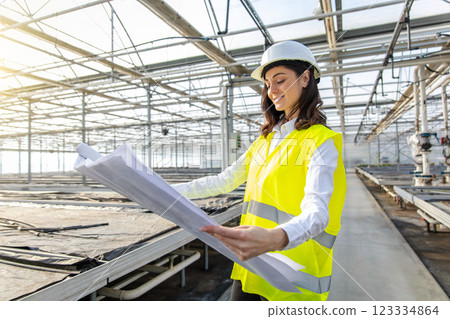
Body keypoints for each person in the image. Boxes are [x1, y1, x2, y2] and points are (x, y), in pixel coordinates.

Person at [172, 40, 346, 301]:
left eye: (280, 80)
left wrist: (277, 237)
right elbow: (223, 181)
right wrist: (165, 191)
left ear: (306, 78)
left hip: (293, 278)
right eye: (267, 83)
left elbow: (318, 212)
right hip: (253, 266)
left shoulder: (322, 141)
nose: (271, 90)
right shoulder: (263, 143)